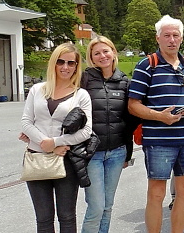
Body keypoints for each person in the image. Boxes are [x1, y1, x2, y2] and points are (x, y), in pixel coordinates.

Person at [128, 15, 184, 233]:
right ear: (158, 38)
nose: (172, 40)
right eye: (167, 35)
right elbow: (133, 105)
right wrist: (160, 116)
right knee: (156, 193)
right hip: (158, 140)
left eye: (176, 35)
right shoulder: (146, 65)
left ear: (181, 38)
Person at [21, 42, 93, 233]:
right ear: (53, 63)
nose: (65, 67)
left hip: (66, 161)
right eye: (60, 62)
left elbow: (86, 131)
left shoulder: (81, 95)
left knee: (67, 217)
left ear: (77, 66)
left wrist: (56, 142)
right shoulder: (37, 90)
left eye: (71, 63)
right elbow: (26, 123)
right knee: (43, 219)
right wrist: (47, 145)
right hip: (36, 159)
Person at [80, 36, 133, 233]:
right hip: (92, 153)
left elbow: (128, 120)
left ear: (114, 53)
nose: (102, 56)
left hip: (117, 152)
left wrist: (127, 153)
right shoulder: (84, 79)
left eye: (106, 51)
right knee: (95, 207)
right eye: (97, 53)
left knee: (108, 206)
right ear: (91, 58)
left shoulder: (124, 82)